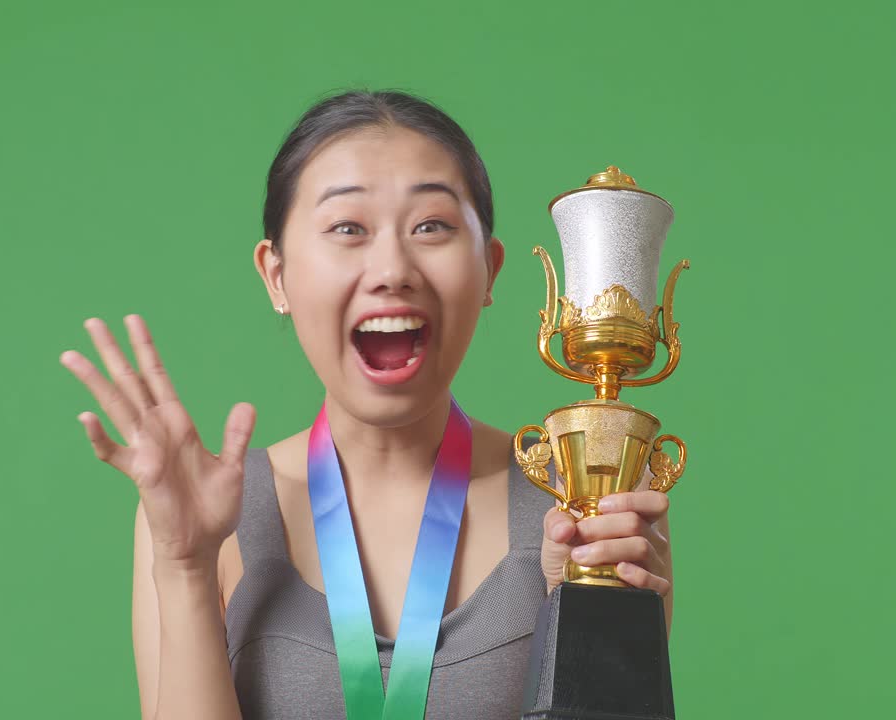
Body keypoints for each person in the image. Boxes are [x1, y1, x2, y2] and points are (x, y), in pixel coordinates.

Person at [58, 89, 675, 720]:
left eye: (431, 226)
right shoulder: (203, 514)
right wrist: (186, 565)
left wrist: (587, 616)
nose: (391, 267)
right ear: (277, 275)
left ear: (490, 271)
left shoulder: (580, 500)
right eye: (347, 228)